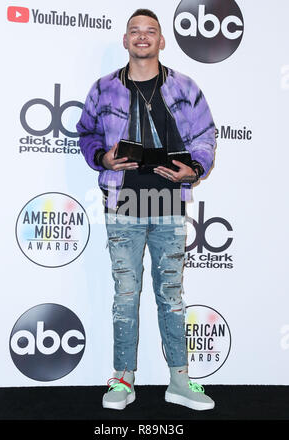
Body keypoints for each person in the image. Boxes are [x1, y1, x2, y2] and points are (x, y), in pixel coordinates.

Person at [77, 9, 216, 411]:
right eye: (134, 31)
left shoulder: (185, 87)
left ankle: (180, 382)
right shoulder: (103, 89)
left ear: (161, 41)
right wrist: (103, 157)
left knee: (171, 294)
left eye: (150, 31)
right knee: (125, 294)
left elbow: (206, 136)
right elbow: (86, 133)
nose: (142, 37)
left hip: (169, 204)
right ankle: (123, 380)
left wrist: (195, 167)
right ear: (125, 41)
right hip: (123, 202)